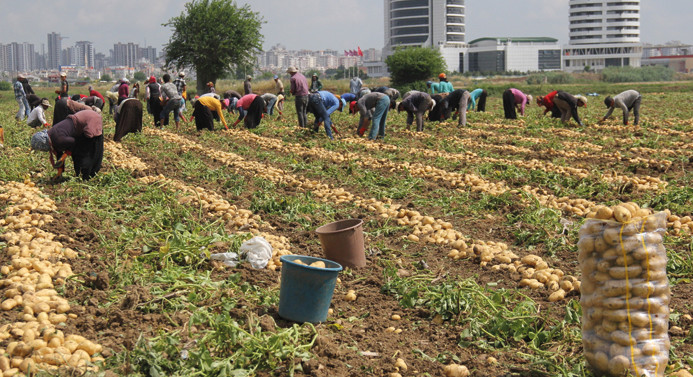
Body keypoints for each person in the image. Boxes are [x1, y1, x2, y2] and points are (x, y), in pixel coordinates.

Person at [30, 109, 103, 180]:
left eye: (41, 149)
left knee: (86, 152)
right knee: (77, 152)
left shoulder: (58, 139)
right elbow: (59, 153)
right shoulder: (51, 136)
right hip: (83, 118)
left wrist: (65, 155)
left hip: (91, 120)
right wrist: (60, 172)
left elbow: (74, 142)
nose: (43, 150)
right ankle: (81, 174)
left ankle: (87, 176)